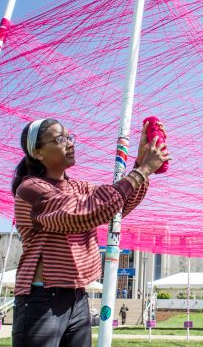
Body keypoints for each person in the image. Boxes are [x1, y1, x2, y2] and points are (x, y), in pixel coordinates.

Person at [11, 118, 170, 347]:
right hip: (41, 298)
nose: (70, 143)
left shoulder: (79, 188)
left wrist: (141, 163)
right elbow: (84, 214)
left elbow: (116, 206)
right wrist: (143, 169)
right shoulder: (31, 188)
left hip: (77, 298)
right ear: (37, 153)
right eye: (60, 139)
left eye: (70, 137)